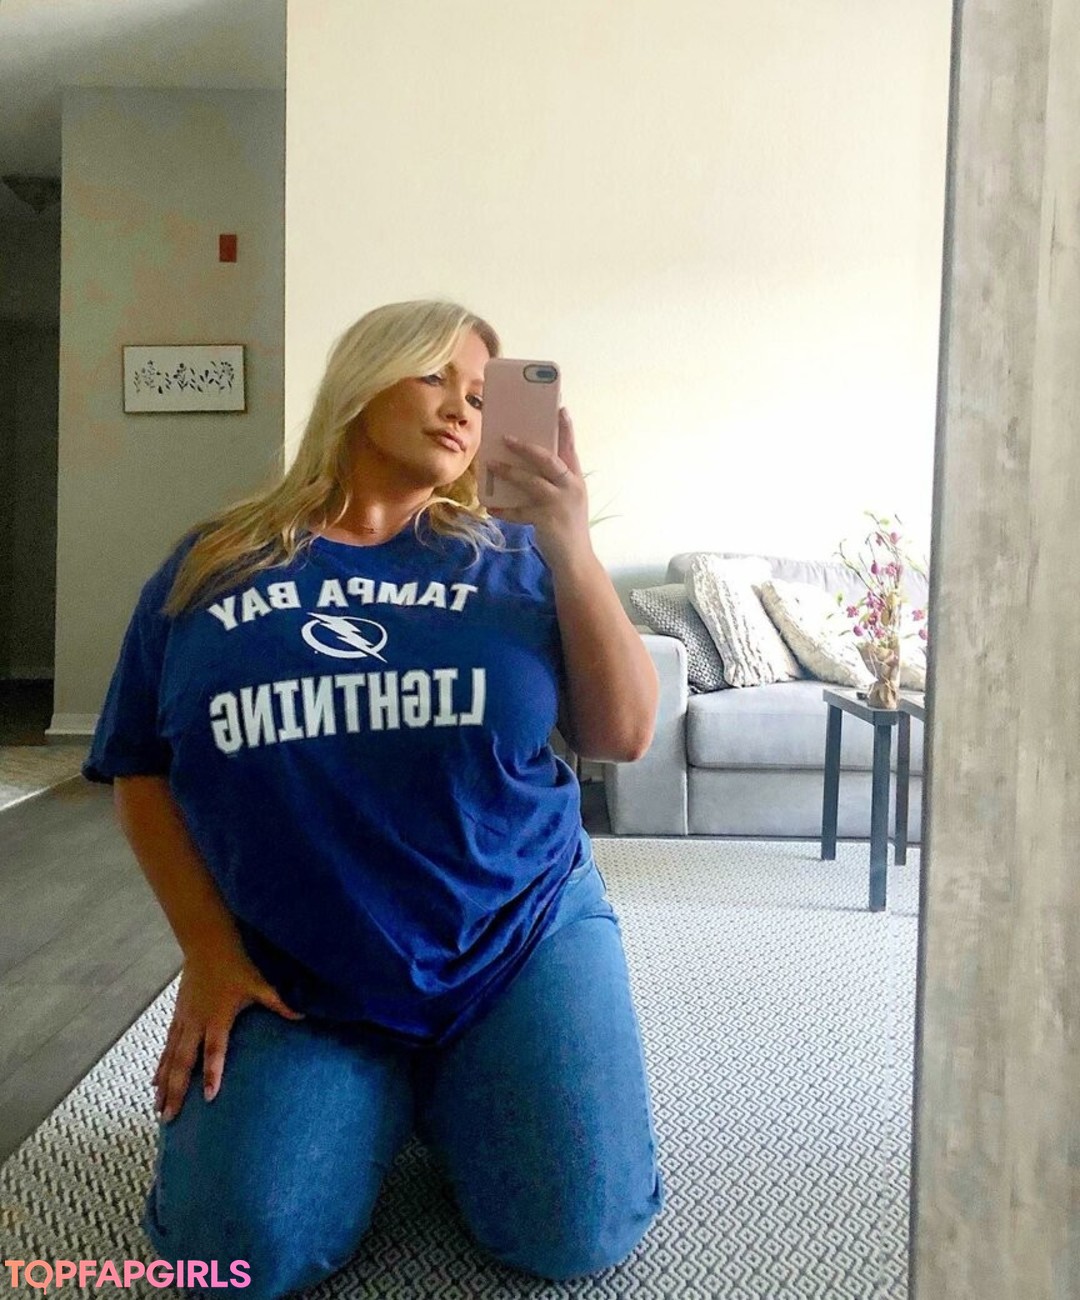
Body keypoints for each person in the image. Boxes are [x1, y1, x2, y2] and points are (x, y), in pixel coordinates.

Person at [83, 299, 665, 1298]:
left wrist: (570, 541)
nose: (463, 407)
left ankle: (448, 1088)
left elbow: (624, 735)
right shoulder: (213, 564)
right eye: (435, 375)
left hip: (516, 935)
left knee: (575, 1231)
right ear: (362, 381)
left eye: (481, 395)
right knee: (233, 1259)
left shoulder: (518, 557)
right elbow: (139, 765)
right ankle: (398, 1095)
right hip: (301, 965)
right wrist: (210, 951)